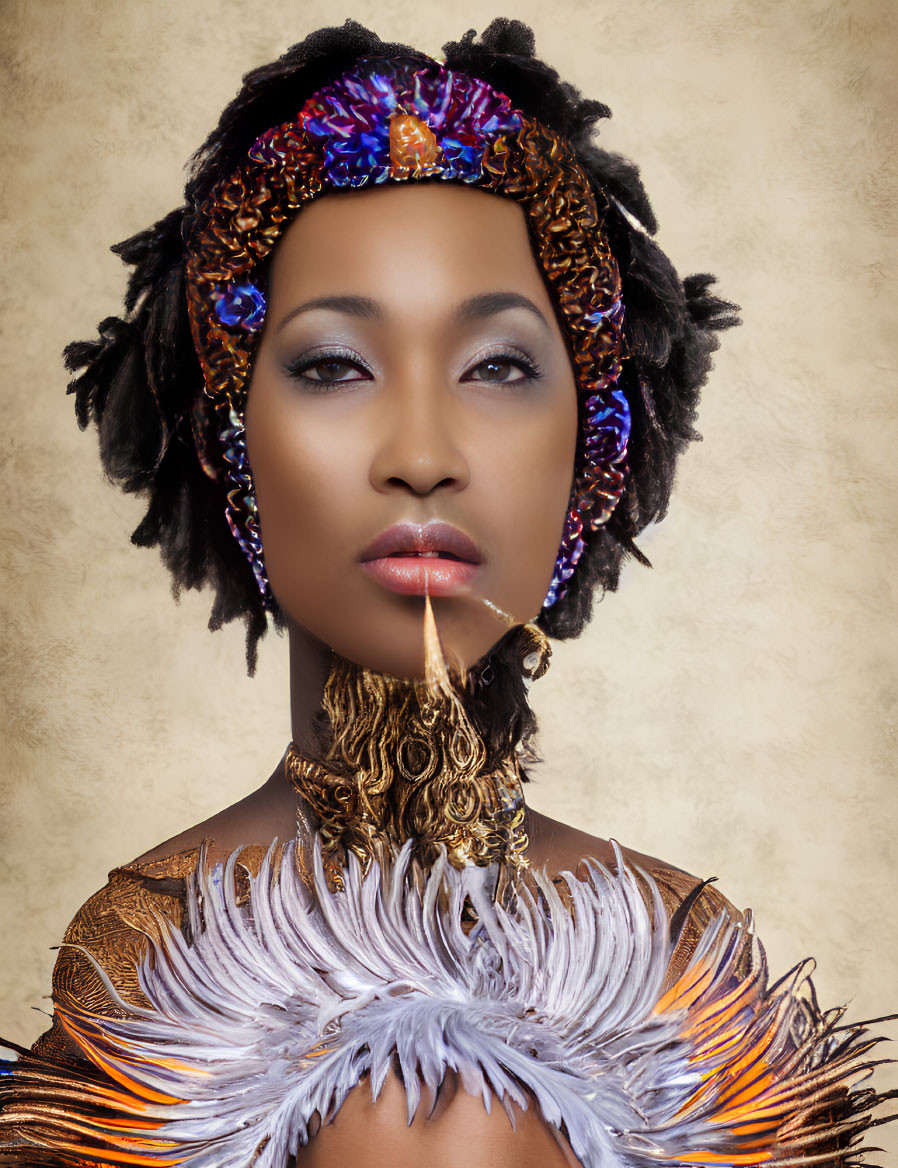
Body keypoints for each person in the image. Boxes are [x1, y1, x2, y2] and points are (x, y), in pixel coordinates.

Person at [1, 18, 892, 1167]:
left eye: (500, 367)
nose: (421, 452)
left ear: (595, 445)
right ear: (232, 440)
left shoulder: (687, 970)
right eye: (333, 365)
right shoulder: (145, 954)